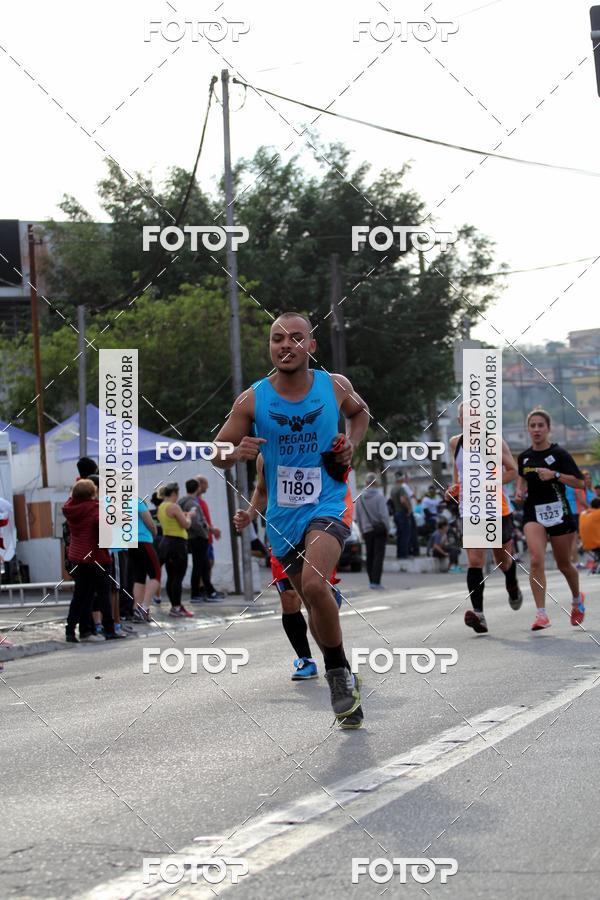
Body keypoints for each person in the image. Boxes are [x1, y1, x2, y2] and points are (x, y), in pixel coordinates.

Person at [215, 311, 370, 728]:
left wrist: (350, 444)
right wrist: (236, 453)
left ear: (310, 346)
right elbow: (217, 452)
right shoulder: (252, 400)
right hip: (283, 517)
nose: (286, 345)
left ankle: (337, 676)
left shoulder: (334, 386)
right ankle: (342, 669)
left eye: (296, 338)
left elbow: (361, 414)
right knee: (309, 600)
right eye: (277, 338)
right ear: (270, 348)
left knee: (317, 584)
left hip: (329, 501)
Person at [234, 455, 343, 680]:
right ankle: (306, 659)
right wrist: (250, 513)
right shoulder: (265, 456)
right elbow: (262, 490)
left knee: (315, 595)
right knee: (290, 598)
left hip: (317, 527)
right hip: (283, 533)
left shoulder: (316, 442)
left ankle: (337, 665)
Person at [447, 402, 523, 635]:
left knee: (502, 561)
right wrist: (454, 488)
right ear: (460, 420)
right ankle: (478, 614)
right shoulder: (455, 443)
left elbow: (512, 471)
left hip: (495, 509)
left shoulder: (494, 442)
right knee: (475, 561)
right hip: (470, 511)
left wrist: (490, 482)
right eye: (466, 418)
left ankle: (511, 581)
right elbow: (458, 473)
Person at [516, 408, 586, 630]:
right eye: (532, 425)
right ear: (528, 429)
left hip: (559, 512)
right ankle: (541, 614)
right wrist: (519, 490)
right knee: (536, 559)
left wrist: (555, 475)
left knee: (564, 564)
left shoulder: (559, 454)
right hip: (533, 512)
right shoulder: (524, 456)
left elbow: (579, 483)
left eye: (540, 425)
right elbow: (522, 476)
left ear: (548, 429)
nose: (536, 429)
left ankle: (577, 600)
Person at [62, 479, 122, 643]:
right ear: (92, 493)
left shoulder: (70, 508)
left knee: (80, 596)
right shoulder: (96, 509)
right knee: (103, 594)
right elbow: (106, 532)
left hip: (77, 557)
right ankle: (109, 629)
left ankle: (72, 631)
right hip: (97, 557)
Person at [179, 479, 224, 603]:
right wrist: (204, 533)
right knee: (199, 566)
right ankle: (197, 594)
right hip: (197, 538)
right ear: (197, 488)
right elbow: (196, 522)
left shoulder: (182, 501)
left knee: (204, 566)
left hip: (193, 538)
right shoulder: (192, 503)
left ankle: (209, 591)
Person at [157, 482, 195, 618]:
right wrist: (189, 517)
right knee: (178, 577)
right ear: (174, 493)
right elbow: (185, 525)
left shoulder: (161, 506)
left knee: (171, 576)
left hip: (166, 542)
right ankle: (176, 607)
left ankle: (175, 606)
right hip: (177, 543)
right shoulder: (174, 506)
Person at [128, 497, 161, 622]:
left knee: (139, 577)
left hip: (131, 543)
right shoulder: (137, 501)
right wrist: (154, 531)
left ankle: (137, 609)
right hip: (143, 540)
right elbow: (149, 522)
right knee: (156, 575)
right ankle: (144, 608)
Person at [355, 474, 389, 589]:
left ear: (366, 483)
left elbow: (358, 517)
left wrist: (361, 531)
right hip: (379, 530)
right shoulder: (380, 497)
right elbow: (384, 516)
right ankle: (376, 582)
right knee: (378, 556)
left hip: (366, 530)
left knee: (369, 555)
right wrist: (387, 529)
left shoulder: (360, 498)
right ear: (375, 483)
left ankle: (371, 581)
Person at [194, 475, 222, 583]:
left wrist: (212, 530)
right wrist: (213, 530)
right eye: (206, 484)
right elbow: (200, 521)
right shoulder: (196, 502)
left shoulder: (201, 501)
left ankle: (206, 588)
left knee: (209, 563)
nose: (208, 486)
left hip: (208, 537)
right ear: (200, 485)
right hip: (204, 538)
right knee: (206, 564)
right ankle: (203, 589)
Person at [565, 470, 594, 565]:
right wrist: (592, 510)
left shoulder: (566, 483)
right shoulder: (576, 484)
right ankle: (576, 562)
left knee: (574, 539)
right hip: (577, 513)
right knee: (575, 539)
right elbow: (581, 500)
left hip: (570, 512)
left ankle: (574, 561)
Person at [390, 472, 412, 559]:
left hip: (396, 513)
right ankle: (404, 554)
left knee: (399, 535)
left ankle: (399, 554)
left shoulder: (393, 489)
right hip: (402, 513)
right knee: (405, 534)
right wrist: (409, 508)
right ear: (401, 479)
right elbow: (403, 500)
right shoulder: (401, 488)